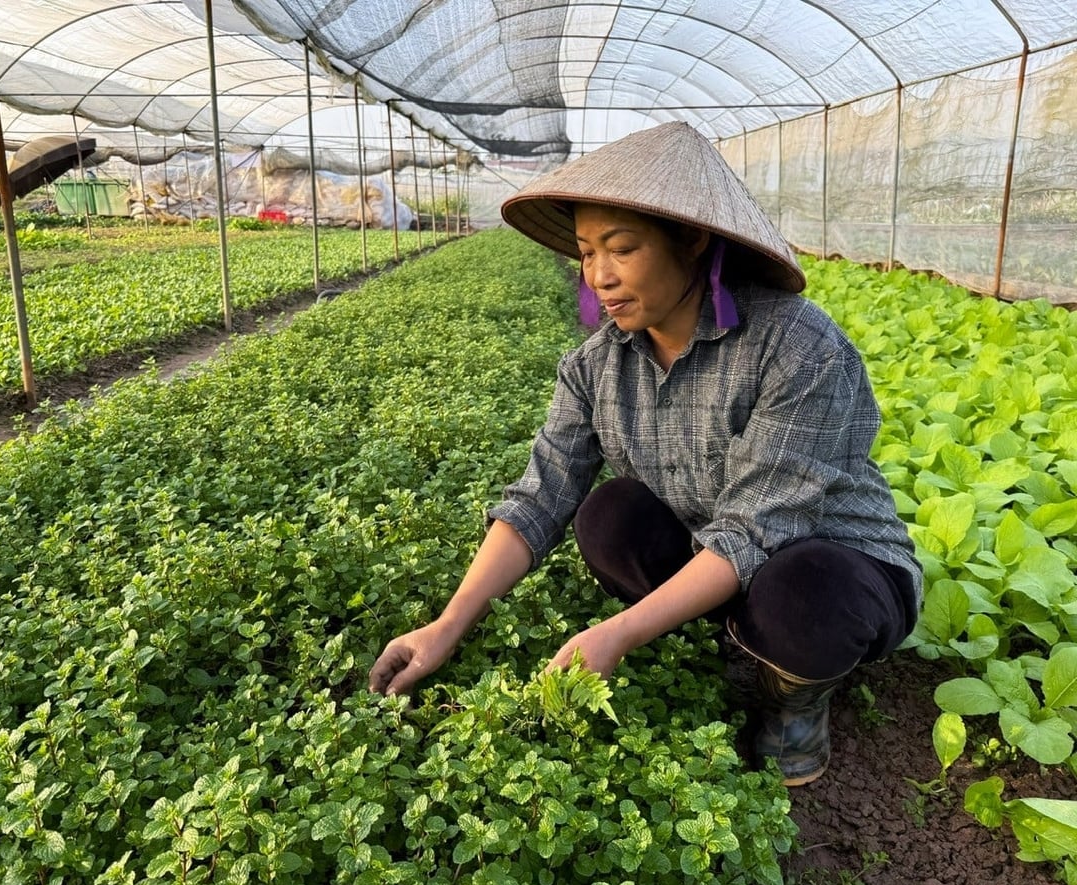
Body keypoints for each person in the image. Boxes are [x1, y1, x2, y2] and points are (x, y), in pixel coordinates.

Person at [367, 121, 922, 786]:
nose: (599, 276)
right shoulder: (596, 366)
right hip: (716, 550)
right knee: (609, 516)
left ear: (691, 239)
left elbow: (757, 529)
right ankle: (733, 634)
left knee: (802, 592)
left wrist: (619, 633)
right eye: (586, 253)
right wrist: (447, 624)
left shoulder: (796, 345)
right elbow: (539, 496)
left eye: (622, 248)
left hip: (836, 562)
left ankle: (793, 701)